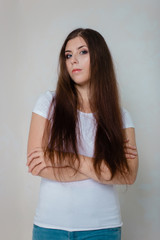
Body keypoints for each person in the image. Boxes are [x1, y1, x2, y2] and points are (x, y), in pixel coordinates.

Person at [27, 28, 138, 240]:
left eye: (82, 52)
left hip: (103, 229)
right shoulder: (48, 103)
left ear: (99, 57)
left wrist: (65, 158)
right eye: (68, 55)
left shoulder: (121, 117)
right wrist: (102, 168)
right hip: (50, 227)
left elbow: (128, 175)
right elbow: (36, 164)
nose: (73, 61)